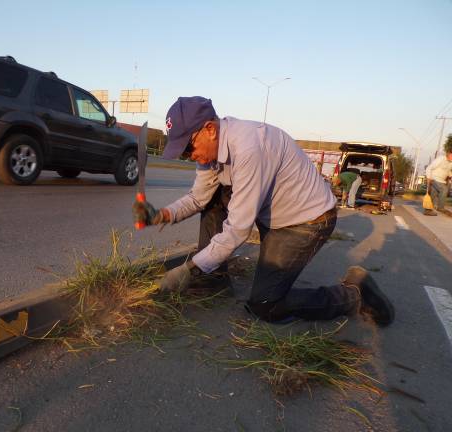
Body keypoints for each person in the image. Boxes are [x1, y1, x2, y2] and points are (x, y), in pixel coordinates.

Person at [133, 96, 394, 326]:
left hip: (306, 222)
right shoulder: (210, 154)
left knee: (266, 304)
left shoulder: (249, 148)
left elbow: (237, 228)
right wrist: (162, 214)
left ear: (209, 129)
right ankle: (213, 278)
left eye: (188, 148)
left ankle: (354, 295)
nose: (189, 156)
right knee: (215, 195)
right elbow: (198, 198)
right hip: (274, 214)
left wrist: (189, 269)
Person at [424, 136, 452, 216]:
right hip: (434, 179)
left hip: (441, 180)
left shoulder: (451, 163)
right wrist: (428, 177)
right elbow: (430, 167)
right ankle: (441, 207)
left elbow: (447, 170)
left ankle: (428, 210)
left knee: (433, 194)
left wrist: (450, 175)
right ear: (448, 154)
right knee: (444, 189)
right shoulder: (441, 159)